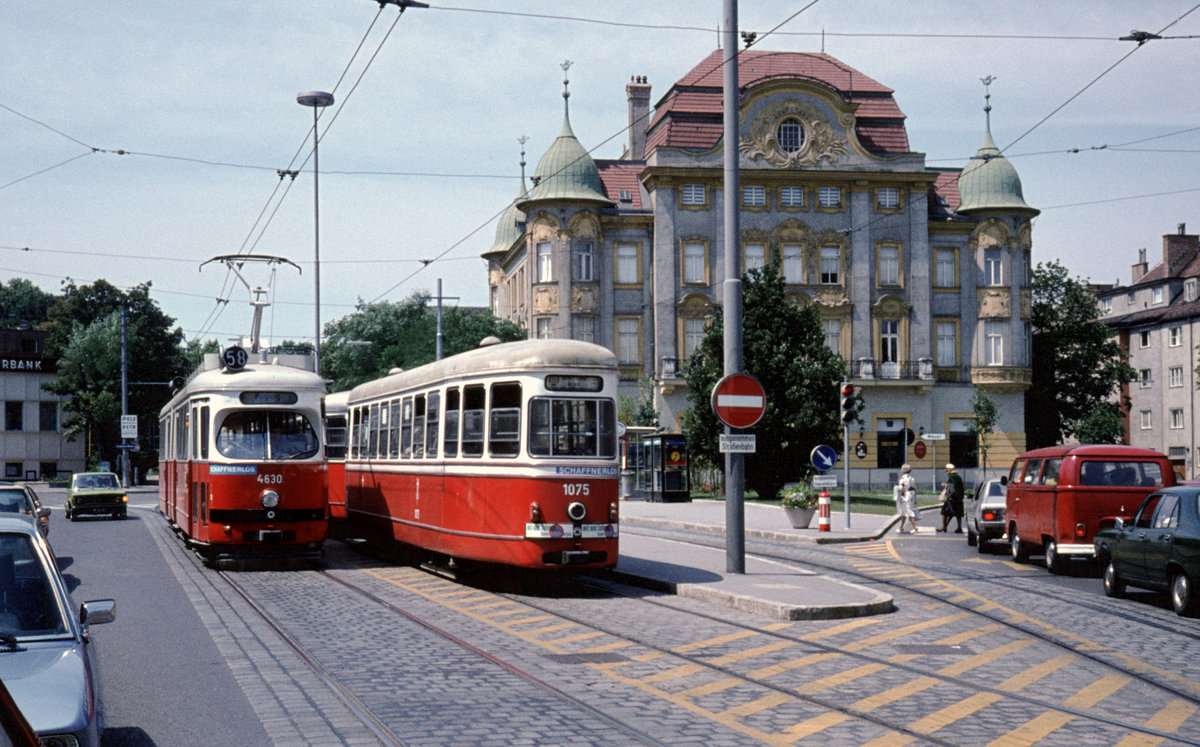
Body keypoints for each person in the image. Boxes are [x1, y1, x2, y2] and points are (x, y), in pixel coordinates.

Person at [939, 463, 965, 533]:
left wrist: (945, 485)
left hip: (953, 498)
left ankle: (944, 526)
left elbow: (951, 487)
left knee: (944, 511)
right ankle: (958, 527)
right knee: (957, 513)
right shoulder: (957, 476)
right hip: (958, 497)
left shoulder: (952, 477)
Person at [896, 464, 917, 533]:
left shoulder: (902, 479)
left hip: (905, 496)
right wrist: (915, 499)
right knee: (905, 511)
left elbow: (900, 488)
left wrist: (898, 489)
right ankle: (901, 527)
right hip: (912, 495)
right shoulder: (912, 478)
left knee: (908, 511)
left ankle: (915, 527)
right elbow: (914, 489)